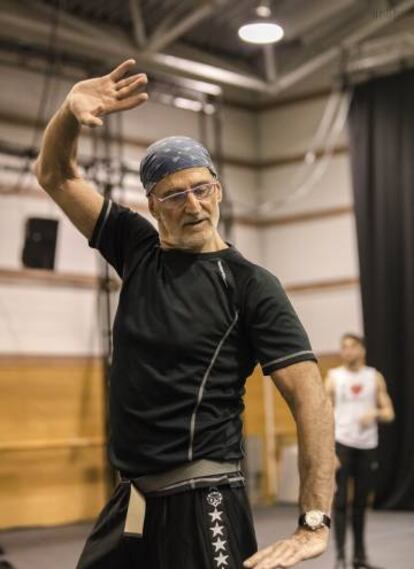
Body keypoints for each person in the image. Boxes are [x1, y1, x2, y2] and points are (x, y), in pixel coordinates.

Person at [34, 58, 335, 569]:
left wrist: (313, 520)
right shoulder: (137, 250)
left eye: (203, 188)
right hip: (132, 499)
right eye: (174, 194)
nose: (193, 205)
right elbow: (56, 175)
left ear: (218, 188)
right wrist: (67, 112)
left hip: (204, 497)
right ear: (152, 204)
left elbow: (310, 398)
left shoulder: (250, 285)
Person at [325, 333, 395, 569]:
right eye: (343, 347)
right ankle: (341, 558)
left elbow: (389, 412)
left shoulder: (374, 377)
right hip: (342, 443)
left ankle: (359, 557)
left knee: (361, 504)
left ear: (362, 350)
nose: (347, 351)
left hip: (367, 445)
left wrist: (373, 413)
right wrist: (328, 449)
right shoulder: (334, 377)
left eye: (352, 347)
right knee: (341, 502)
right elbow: (324, 415)